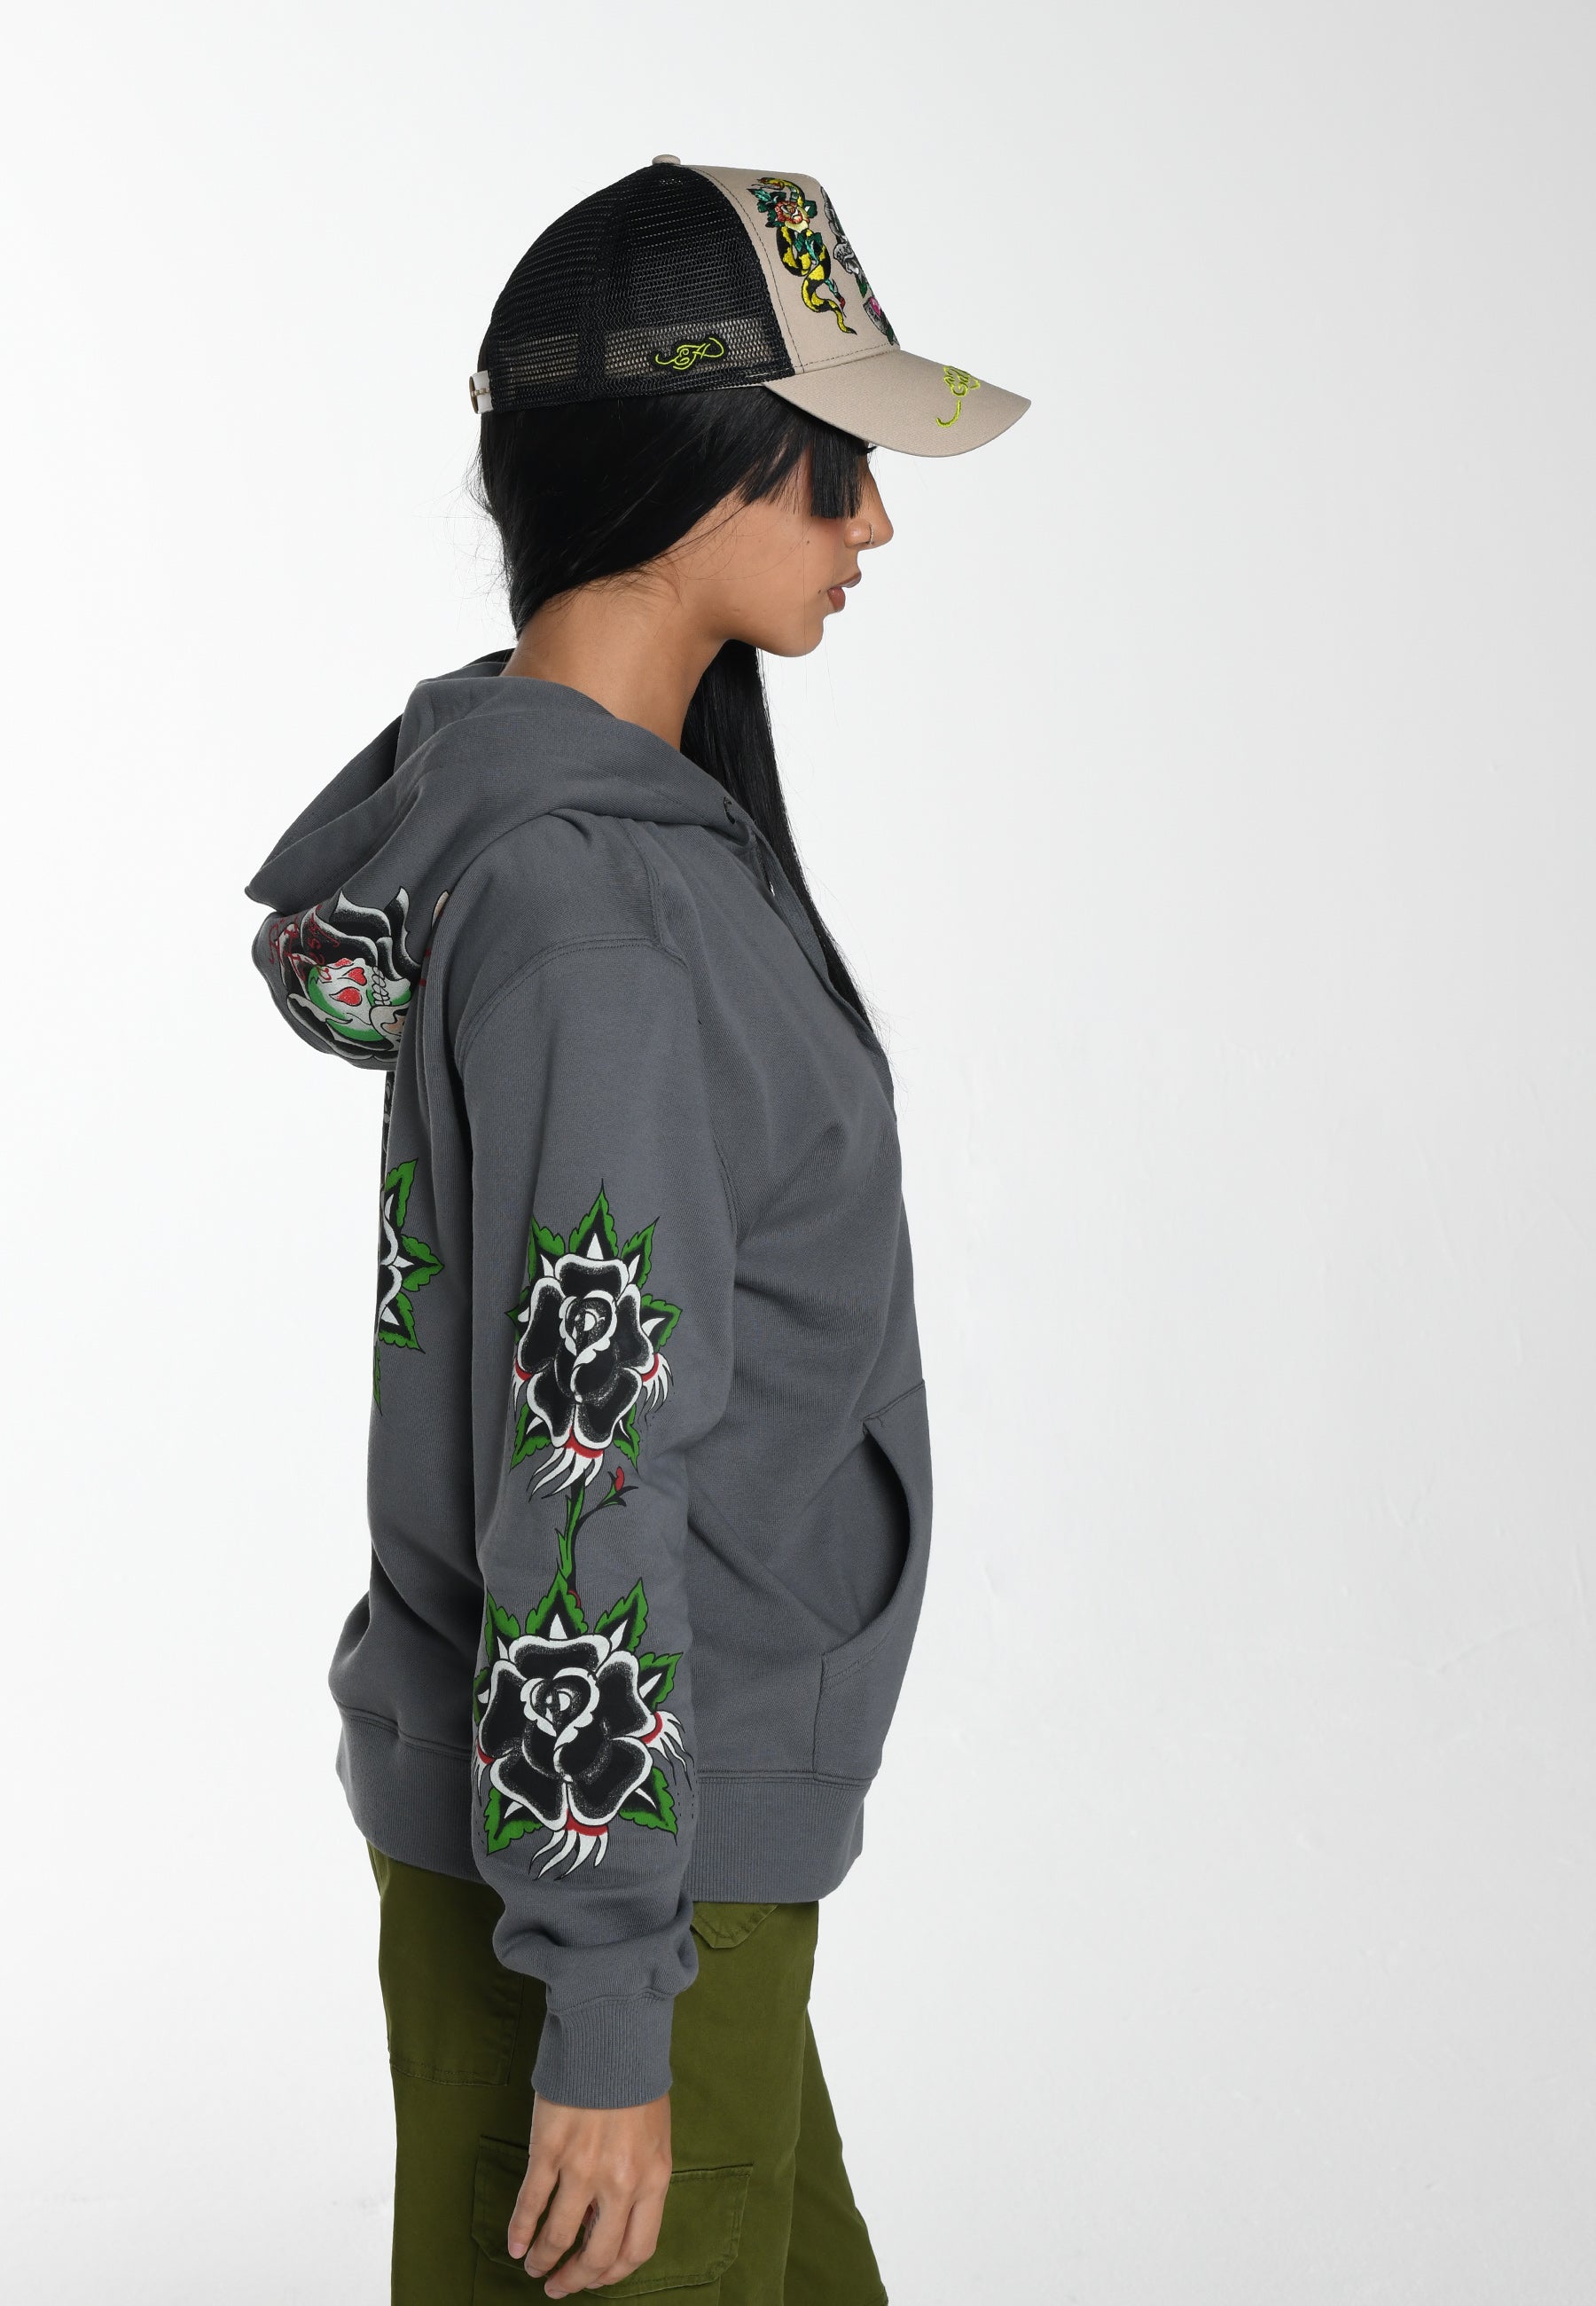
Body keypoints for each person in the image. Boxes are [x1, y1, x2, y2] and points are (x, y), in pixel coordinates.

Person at [246, 156, 1027, 2302]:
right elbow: (585, 1459)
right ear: (694, 458)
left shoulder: (602, 852)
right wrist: (605, 2001)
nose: (875, 522)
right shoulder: (596, 913)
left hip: (651, 1861)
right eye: (839, 455)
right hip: (618, 1885)